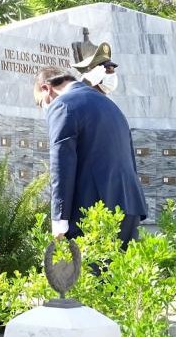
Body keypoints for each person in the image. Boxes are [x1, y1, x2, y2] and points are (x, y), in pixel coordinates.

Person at [33, 66, 147, 249]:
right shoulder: (111, 106)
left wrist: (59, 219)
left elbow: (61, 164)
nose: (44, 107)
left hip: (93, 211)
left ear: (47, 88)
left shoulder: (62, 105)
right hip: (129, 207)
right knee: (120, 275)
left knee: (90, 276)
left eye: (41, 102)